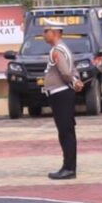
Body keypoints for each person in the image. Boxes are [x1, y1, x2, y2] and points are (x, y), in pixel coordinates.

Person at [40, 23, 83, 180]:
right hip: (62, 93)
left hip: (61, 94)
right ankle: (67, 166)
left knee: (66, 132)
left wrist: (73, 81)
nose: (44, 34)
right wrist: (76, 80)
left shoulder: (57, 50)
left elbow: (65, 72)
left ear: (55, 33)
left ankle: (69, 168)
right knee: (66, 131)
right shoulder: (64, 49)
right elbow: (72, 69)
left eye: (46, 31)